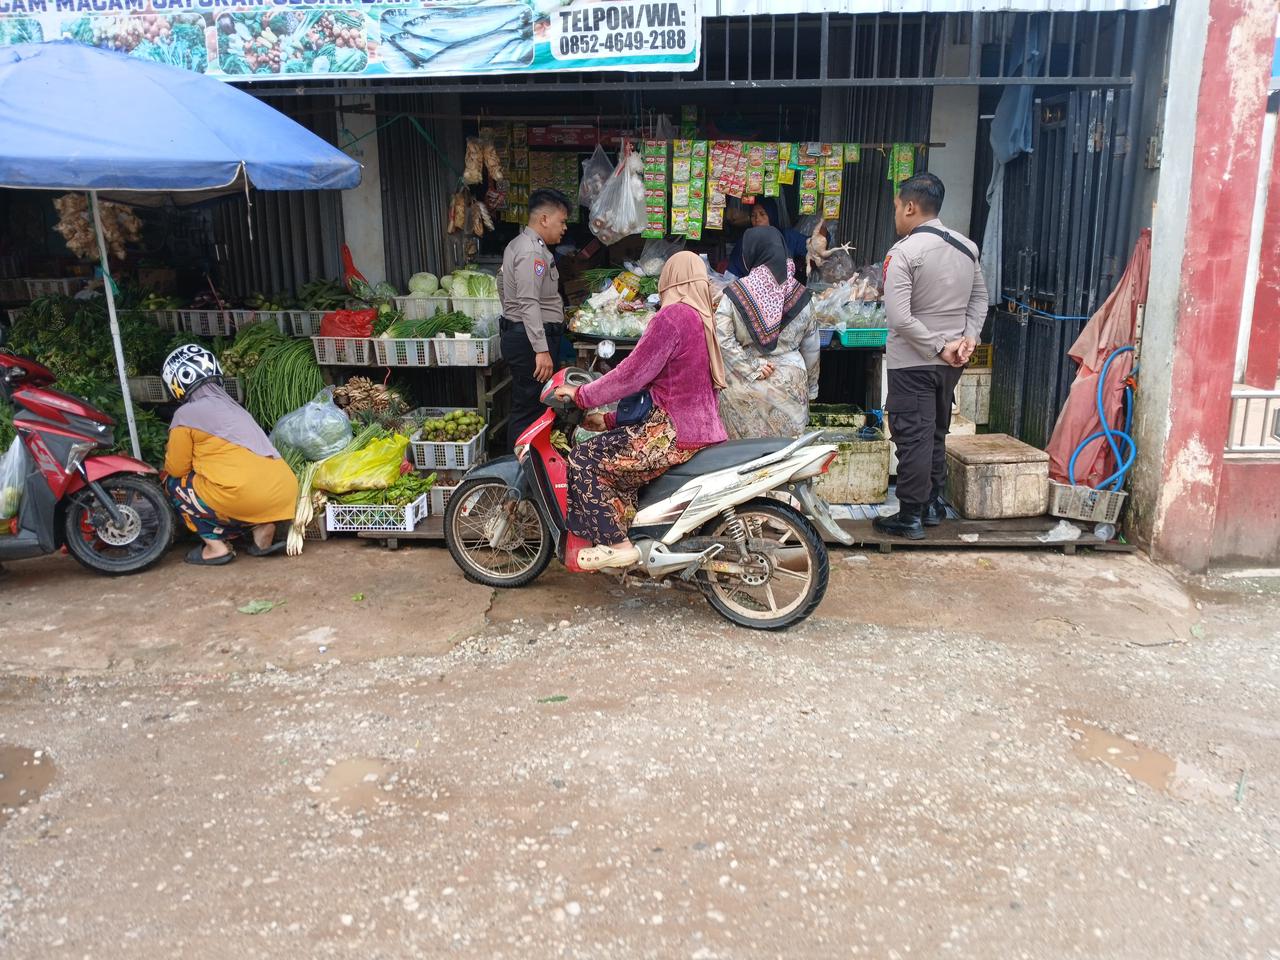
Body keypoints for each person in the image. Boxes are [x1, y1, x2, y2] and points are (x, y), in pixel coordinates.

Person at [553, 252, 728, 571]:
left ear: (671, 280)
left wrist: (582, 395)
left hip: (671, 432)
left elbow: (632, 374)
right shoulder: (701, 318)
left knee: (583, 459)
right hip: (698, 429)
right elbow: (667, 387)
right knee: (612, 456)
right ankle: (630, 530)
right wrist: (608, 420)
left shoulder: (673, 317)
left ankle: (618, 547)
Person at [875, 172, 989, 540]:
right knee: (936, 431)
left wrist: (939, 345)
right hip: (950, 363)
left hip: (914, 361)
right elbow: (980, 299)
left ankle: (910, 514)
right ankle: (932, 504)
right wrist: (967, 339)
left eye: (896, 207)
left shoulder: (904, 252)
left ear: (910, 206)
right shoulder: (967, 247)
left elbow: (899, 317)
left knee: (912, 435)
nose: (896, 214)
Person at [159, 345, 299, 566]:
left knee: (174, 483)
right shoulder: (235, 408)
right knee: (235, 483)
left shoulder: (184, 416)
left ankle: (215, 547)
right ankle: (262, 529)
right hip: (284, 491)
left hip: (244, 496)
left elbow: (176, 468)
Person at [714, 226, 822, 440]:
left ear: (750, 254)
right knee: (788, 460)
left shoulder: (734, 294)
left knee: (740, 463)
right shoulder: (802, 296)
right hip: (790, 390)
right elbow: (812, 349)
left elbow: (722, 339)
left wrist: (750, 367)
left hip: (742, 389)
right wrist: (811, 389)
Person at [498, 188, 571, 450]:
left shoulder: (519, 245)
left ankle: (526, 472)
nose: (564, 228)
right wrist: (540, 348)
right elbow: (527, 301)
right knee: (529, 408)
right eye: (561, 222)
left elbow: (502, 285)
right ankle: (519, 475)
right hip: (531, 342)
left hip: (522, 336)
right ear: (544, 219)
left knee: (528, 404)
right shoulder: (532, 252)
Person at [727, 197, 807, 279]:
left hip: (785, 289)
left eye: (762, 214)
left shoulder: (787, 237)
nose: (757, 219)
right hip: (755, 289)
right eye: (753, 215)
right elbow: (732, 274)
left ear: (772, 215)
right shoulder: (744, 243)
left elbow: (811, 247)